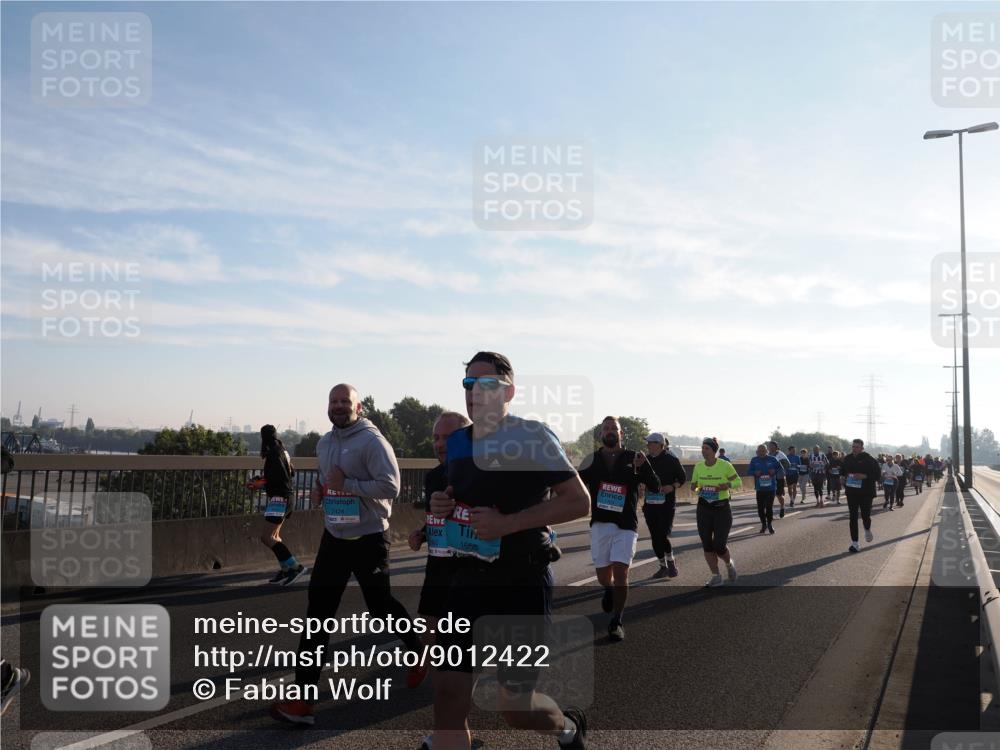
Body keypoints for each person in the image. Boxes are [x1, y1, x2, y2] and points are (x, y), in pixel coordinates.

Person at [427, 352, 591, 750]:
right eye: (468, 384)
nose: (474, 393)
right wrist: (443, 503)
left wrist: (507, 525)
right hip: (469, 578)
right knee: (448, 692)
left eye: (485, 384)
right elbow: (460, 493)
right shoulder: (460, 441)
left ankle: (567, 729)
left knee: (515, 708)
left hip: (522, 579)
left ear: (509, 391)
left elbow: (578, 501)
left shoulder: (533, 437)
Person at [271, 384, 425, 726]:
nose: (339, 406)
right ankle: (303, 700)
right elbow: (332, 482)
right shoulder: (325, 443)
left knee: (381, 609)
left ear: (359, 407)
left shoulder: (372, 442)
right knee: (317, 616)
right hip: (335, 538)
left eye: (345, 402)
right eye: (333, 401)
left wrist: (348, 484)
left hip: (369, 538)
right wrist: (322, 491)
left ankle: (417, 650)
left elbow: (391, 487)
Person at [580, 417, 661, 641]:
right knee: (603, 575)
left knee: (621, 571)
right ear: (601, 434)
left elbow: (654, 485)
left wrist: (644, 467)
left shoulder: (634, 457)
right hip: (600, 523)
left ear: (620, 433)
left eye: (613, 428)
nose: (609, 432)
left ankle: (617, 621)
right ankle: (608, 588)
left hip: (626, 524)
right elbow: (576, 484)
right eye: (605, 429)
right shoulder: (591, 460)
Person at [408, 412, 472, 643]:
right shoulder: (433, 477)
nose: (440, 444)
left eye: (448, 437)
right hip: (436, 568)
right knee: (428, 637)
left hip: (467, 572)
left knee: (461, 647)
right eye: (436, 438)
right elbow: (435, 517)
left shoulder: (481, 475)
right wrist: (422, 534)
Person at [256, 424, 307, 585]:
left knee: (267, 537)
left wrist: (260, 483)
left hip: (279, 498)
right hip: (287, 497)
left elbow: (275, 478)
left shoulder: (273, 454)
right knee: (275, 536)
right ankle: (286, 569)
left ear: (263, 438)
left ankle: (295, 567)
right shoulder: (283, 450)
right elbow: (291, 472)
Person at [690, 437, 742, 586]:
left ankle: (728, 564)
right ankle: (716, 576)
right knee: (706, 544)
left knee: (719, 546)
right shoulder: (699, 466)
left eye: (706, 448)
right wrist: (702, 489)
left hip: (721, 509)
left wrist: (726, 485)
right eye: (702, 448)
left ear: (714, 450)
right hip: (704, 508)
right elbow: (694, 486)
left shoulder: (724, 465)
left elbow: (738, 481)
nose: (703, 451)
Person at [642, 432, 686, 578]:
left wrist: (672, 486)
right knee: (655, 536)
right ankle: (662, 566)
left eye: (650, 443)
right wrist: (641, 486)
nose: (647, 445)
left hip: (666, 504)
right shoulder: (646, 460)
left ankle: (671, 562)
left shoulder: (671, 459)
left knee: (662, 535)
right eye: (647, 443)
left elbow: (682, 478)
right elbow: (639, 478)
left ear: (659, 445)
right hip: (650, 504)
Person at [842, 438, 880, 553]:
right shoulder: (848, 459)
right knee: (852, 517)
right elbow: (843, 471)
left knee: (865, 516)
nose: (854, 449)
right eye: (853, 446)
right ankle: (855, 543)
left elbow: (877, 475)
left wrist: (865, 476)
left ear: (862, 448)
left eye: (857, 447)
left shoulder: (869, 459)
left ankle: (867, 528)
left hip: (866, 492)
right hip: (852, 491)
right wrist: (842, 477)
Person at [748, 444, 780, 534]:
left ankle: (770, 525)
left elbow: (780, 468)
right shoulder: (754, 460)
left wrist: (774, 471)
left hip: (771, 488)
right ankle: (763, 524)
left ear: (767, 451)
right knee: (760, 509)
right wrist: (755, 472)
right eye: (759, 451)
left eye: (763, 451)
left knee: (769, 507)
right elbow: (749, 471)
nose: (761, 453)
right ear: (757, 452)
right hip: (760, 489)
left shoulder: (773, 459)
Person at [767, 441, 790, 518]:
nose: (770, 447)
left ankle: (782, 507)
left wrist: (779, 470)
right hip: (769, 478)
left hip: (779, 477)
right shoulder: (767, 455)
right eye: (769, 446)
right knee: (770, 495)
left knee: (779, 495)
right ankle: (770, 512)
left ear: (776, 447)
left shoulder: (780, 454)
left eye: (772, 446)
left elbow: (787, 465)